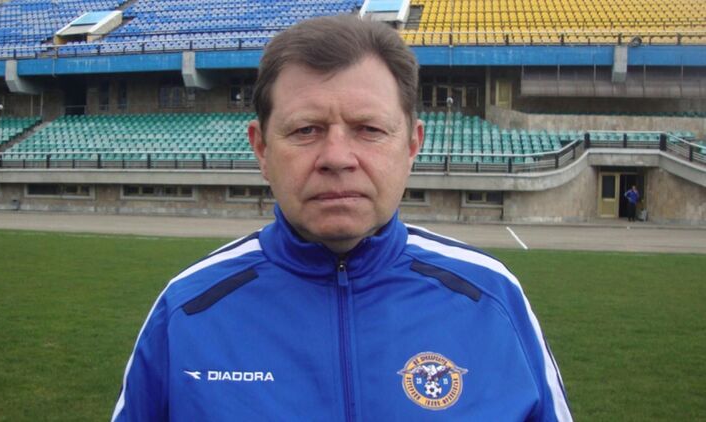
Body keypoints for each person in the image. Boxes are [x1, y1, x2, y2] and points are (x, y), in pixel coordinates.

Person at [112, 15, 572, 421]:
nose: (336, 157)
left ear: (412, 146)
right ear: (262, 149)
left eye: (368, 129)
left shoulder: (492, 297)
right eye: (306, 129)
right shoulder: (187, 310)